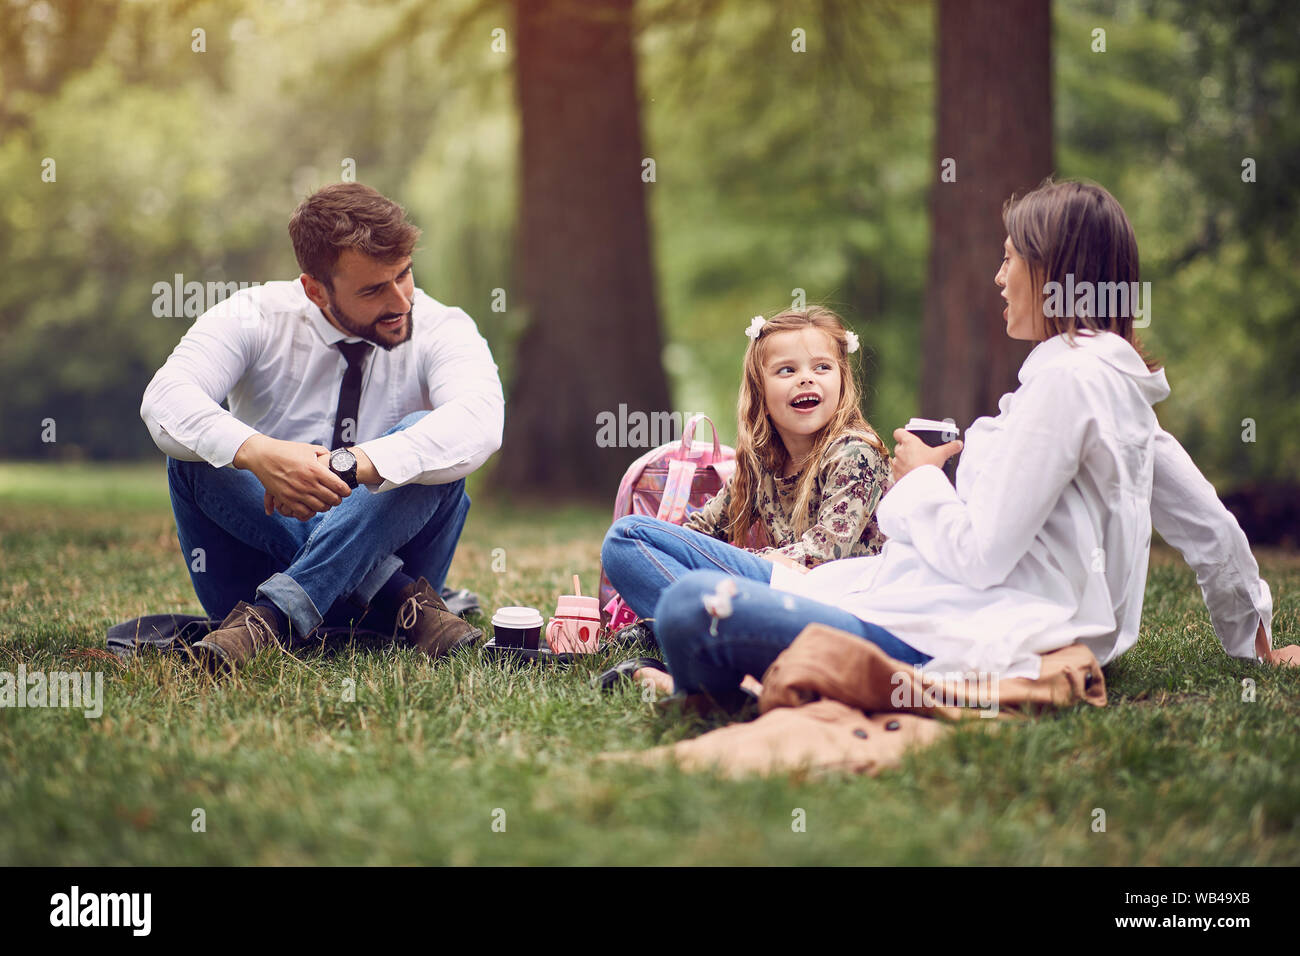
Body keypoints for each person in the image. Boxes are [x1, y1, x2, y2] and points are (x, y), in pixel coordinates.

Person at [647, 179, 1289, 706]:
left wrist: (920, 476)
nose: (998, 276)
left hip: (963, 633)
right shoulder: (1105, 378)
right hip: (923, 599)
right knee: (642, 546)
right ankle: (732, 661)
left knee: (685, 607)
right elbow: (1206, 522)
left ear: (1051, 269)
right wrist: (1250, 641)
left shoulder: (1069, 383)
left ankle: (721, 680)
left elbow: (981, 556)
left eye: (1010, 257)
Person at [140, 183, 504, 673]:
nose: (401, 301)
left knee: (427, 438)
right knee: (197, 457)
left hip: (251, 619)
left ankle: (269, 620)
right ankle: (392, 593)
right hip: (399, 612)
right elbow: (165, 398)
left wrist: (352, 467)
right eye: (374, 289)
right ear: (315, 289)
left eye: (405, 274)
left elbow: (480, 419)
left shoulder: (442, 326)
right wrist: (257, 452)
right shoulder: (253, 314)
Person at [598, 307, 891, 690]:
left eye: (822, 368)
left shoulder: (855, 454)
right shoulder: (762, 464)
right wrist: (681, 561)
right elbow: (699, 531)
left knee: (628, 535)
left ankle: (694, 636)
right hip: (779, 592)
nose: (806, 379)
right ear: (760, 389)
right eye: (787, 370)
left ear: (842, 380)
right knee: (627, 545)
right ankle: (702, 636)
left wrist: (734, 568)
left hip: (835, 608)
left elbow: (821, 556)